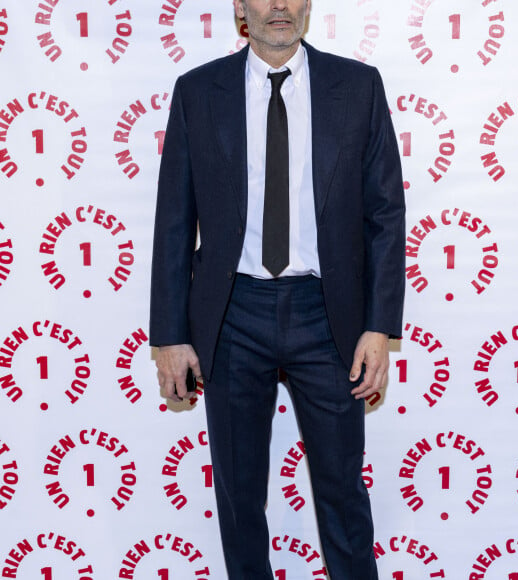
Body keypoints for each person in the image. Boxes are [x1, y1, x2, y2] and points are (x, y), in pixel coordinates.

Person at [150, 0, 405, 577]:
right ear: (240, 7)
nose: (279, 5)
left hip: (329, 317)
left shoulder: (358, 86)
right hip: (231, 317)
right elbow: (173, 220)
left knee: (342, 494)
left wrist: (378, 324)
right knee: (239, 500)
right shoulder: (197, 90)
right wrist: (169, 335)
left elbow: (386, 215)